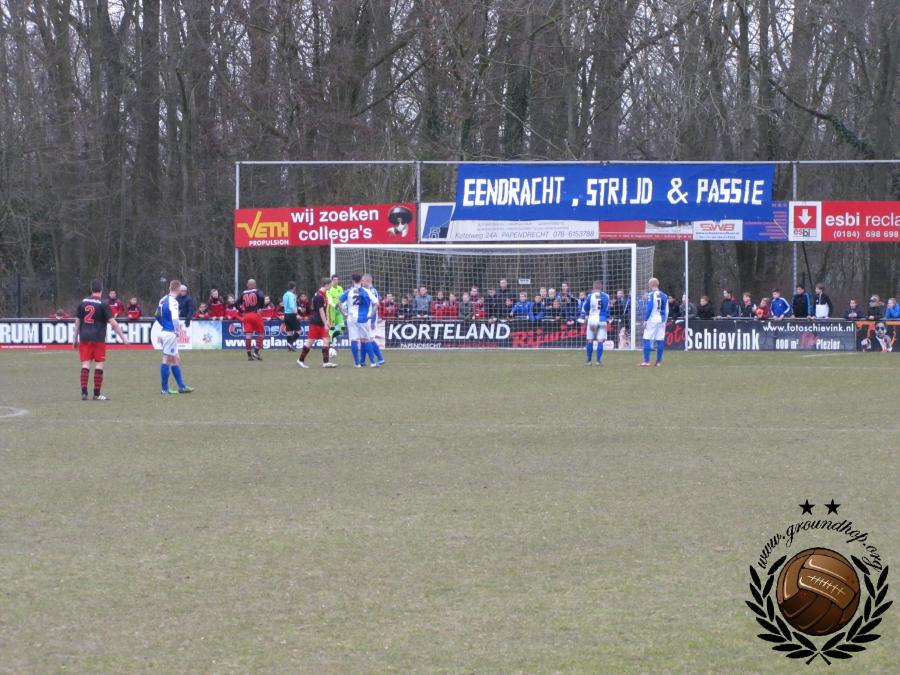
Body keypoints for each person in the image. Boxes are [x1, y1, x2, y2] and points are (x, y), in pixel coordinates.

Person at [74, 279, 129, 400]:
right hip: (98, 338)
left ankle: (84, 392)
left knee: (86, 364)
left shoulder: (82, 302)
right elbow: (114, 324)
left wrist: (74, 339)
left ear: (91, 289)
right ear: (101, 289)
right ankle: (96, 394)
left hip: (84, 337)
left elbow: (77, 322)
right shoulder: (103, 304)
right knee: (99, 364)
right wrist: (123, 338)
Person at [154, 279, 193, 395]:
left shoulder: (163, 299)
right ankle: (164, 389)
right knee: (166, 358)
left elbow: (157, 315)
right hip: (170, 333)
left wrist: (164, 325)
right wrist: (176, 330)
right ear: (178, 289)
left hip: (166, 331)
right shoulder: (174, 302)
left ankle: (182, 387)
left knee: (175, 358)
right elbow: (175, 319)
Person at [296, 278, 336, 368]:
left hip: (321, 321)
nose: (331, 286)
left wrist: (326, 321)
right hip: (315, 322)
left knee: (326, 340)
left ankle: (326, 362)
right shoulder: (319, 296)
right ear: (326, 285)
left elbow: (323, 310)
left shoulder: (323, 294)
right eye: (330, 284)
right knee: (310, 341)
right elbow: (321, 311)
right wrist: (325, 323)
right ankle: (300, 360)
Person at [580, 281, 610, 365]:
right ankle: (598, 361)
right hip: (602, 320)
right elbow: (607, 309)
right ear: (601, 287)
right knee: (600, 341)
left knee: (590, 340)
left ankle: (589, 361)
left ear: (593, 288)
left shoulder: (590, 296)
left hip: (592, 319)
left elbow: (585, 308)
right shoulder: (606, 296)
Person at [640, 278, 668, 367]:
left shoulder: (651, 295)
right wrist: (664, 320)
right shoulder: (664, 295)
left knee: (646, 338)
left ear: (651, 285)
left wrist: (645, 320)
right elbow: (666, 310)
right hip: (661, 320)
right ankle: (658, 362)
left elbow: (649, 308)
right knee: (660, 340)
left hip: (652, 320)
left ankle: (646, 361)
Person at [361, 274, 386, 366]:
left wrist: (372, 320)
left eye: (363, 280)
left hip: (370, 318)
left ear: (367, 281)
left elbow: (375, 306)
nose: (361, 282)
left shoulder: (372, 291)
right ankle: (362, 360)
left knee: (369, 339)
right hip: (365, 318)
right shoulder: (364, 290)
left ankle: (380, 358)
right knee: (363, 339)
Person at [240, 279, 266, 361]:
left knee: (248, 335)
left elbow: (236, 303)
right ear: (255, 285)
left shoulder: (243, 293)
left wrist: (241, 311)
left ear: (247, 285)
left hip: (246, 315)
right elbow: (262, 297)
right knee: (261, 333)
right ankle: (256, 352)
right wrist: (261, 307)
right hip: (255, 314)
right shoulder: (257, 291)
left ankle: (249, 356)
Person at [325, 274, 345, 341]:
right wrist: (335, 306)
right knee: (332, 326)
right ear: (331, 280)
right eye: (334, 280)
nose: (336, 281)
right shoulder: (329, 289)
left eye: (337, 279)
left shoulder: (340, 288)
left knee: (342, 327)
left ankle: (333, 338)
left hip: (339, 310)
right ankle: (331, 342)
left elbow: (342, 299)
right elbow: (330, 301)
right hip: (331, 309)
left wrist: (343, 307)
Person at [282, 281, 301, 351]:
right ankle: (290, 343)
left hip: (286, 315)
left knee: (289, 332)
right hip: (291, 314)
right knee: (299, 331)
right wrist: (297, 314)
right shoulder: (291, 295)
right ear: (294, 287)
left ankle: (289, 348)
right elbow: (292, 306)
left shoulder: (285, 294)